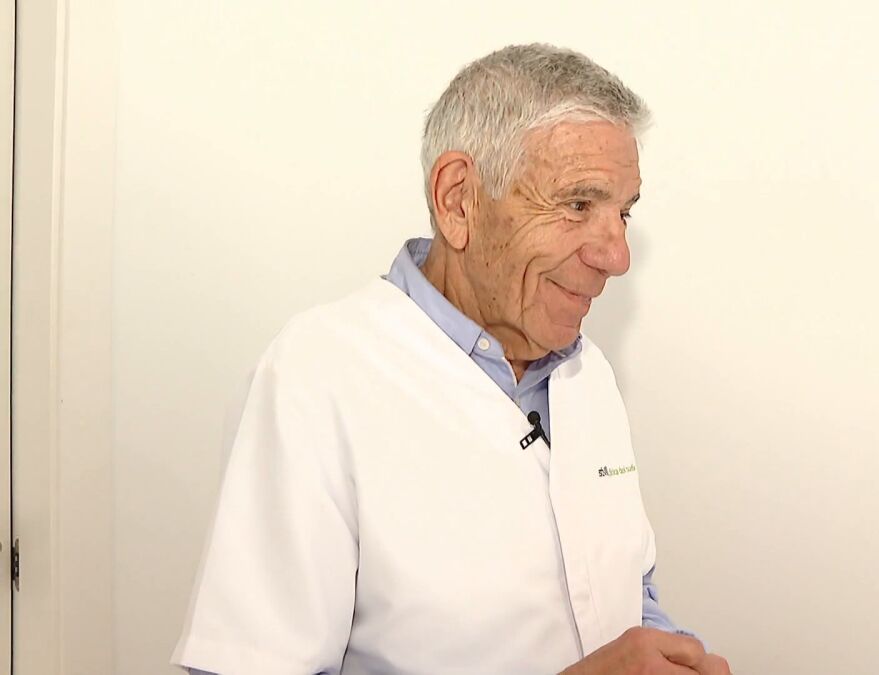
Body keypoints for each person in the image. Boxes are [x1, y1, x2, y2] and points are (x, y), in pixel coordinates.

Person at [173, 44, 732, 675]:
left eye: (623, 212)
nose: (617, 255)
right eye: (579, 205)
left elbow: (623, 590)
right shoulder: (315, 377)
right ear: (459, 200)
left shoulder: (587, 373)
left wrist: (675, 655)